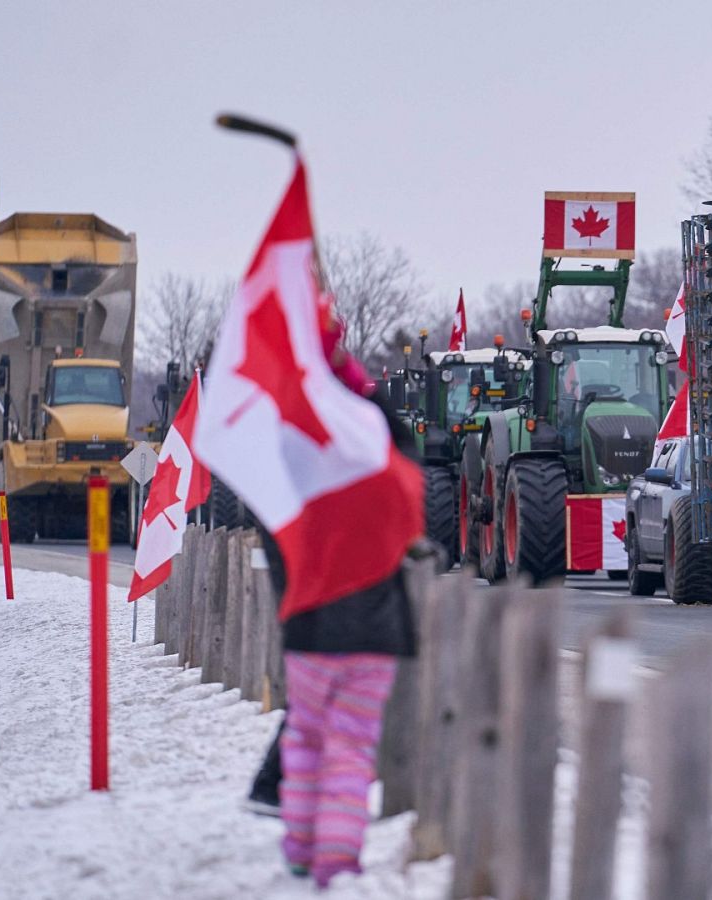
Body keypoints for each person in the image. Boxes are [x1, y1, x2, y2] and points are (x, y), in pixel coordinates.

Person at [240, 300, 424, 888]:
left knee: (306, 738)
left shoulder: (284, 432)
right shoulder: (369, 428)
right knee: (351, 746)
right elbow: (410, 474)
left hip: (310, 621)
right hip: (377, 625)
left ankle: (300, 847)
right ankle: (338, 857)